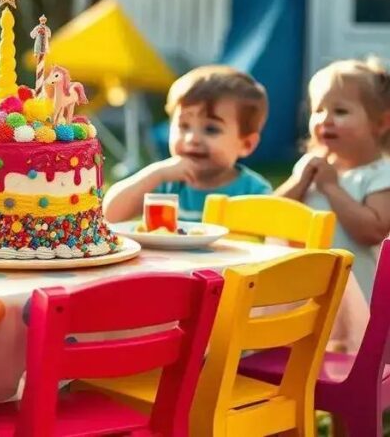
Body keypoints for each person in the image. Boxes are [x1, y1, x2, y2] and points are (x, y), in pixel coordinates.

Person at [276, 59, 390, 351]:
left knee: (346, 348)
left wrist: (330, 188)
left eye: (340, 111)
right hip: (305, 286)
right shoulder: (311, 167)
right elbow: (271, 216)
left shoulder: (380, 174)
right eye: (318, 110)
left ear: (381, 123)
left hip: (355, 290)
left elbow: (373, 229)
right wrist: (298, 183)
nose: (325, 119)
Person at [104, 66, 272, 222]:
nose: (192, 139)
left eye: (211, 129)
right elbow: (110, 215)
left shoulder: (253, 192)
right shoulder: (167, 183)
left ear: (246, 144)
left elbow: (274, 242)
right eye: (184, 126)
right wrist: (156, 175)